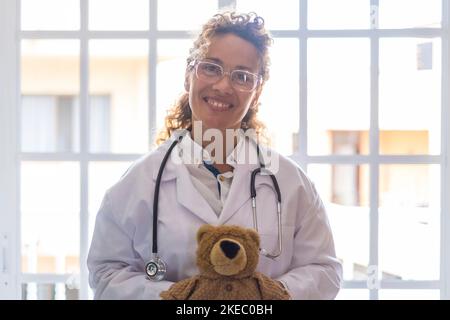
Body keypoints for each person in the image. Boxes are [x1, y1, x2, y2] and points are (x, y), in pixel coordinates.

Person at [87, 11, 342, 300]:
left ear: (256, 93)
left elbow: (324, 270)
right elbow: (106, 274)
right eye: (211, 68)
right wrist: (180, 297)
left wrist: (268, 294)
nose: (223, 85)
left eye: (242, 76)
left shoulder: (291, 182)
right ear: (188, 75)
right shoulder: (139, 182)